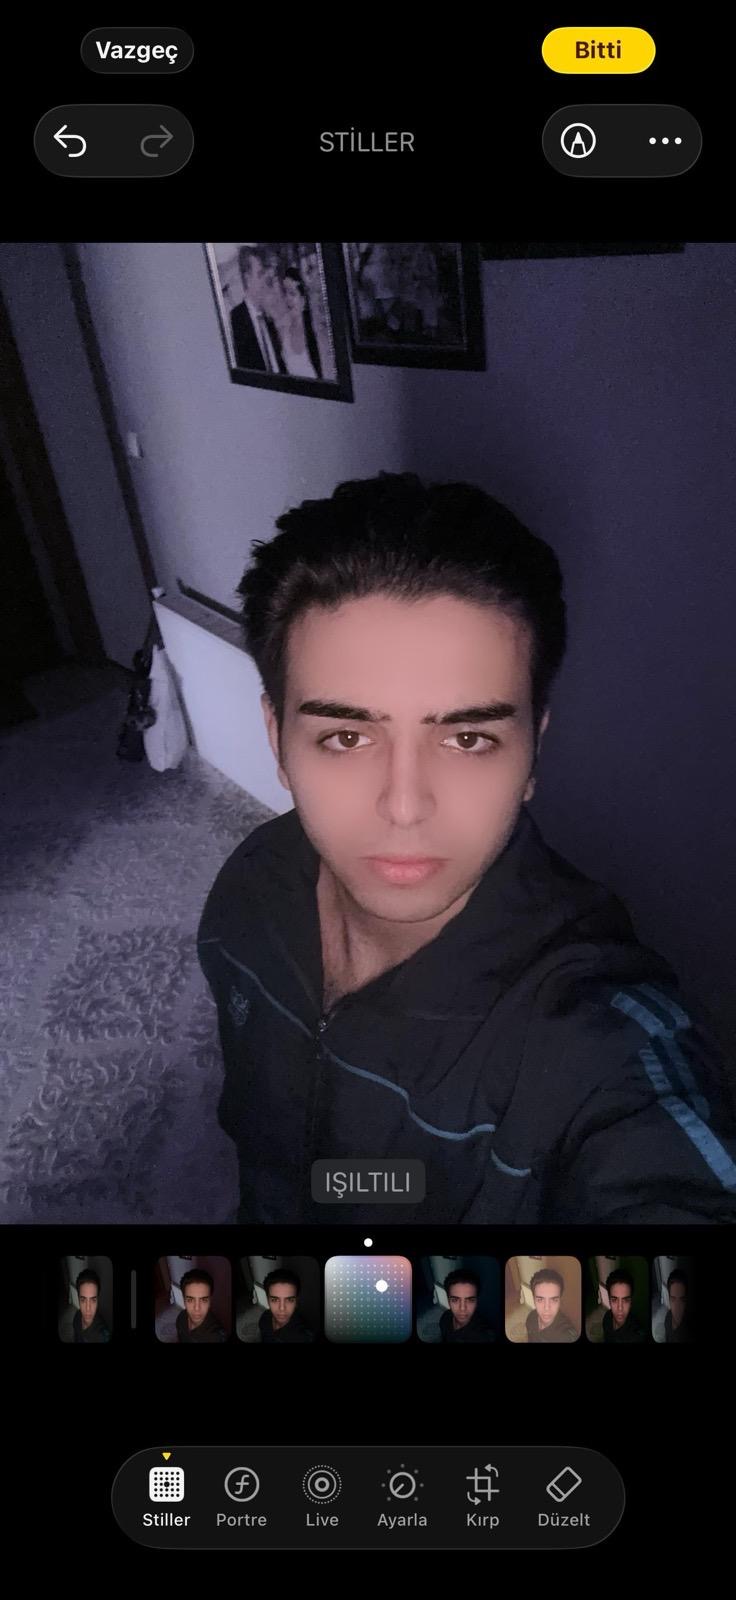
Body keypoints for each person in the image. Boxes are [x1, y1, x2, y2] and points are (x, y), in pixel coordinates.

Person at [197, 472, 736, 1225]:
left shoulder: (598, 1046)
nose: (405, 807)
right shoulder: (247, 892)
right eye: (346, 737)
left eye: (468, 739)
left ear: (532, 751)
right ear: (277, 739)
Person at [229, 246, 286, 374]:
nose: (265, 281)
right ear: (247, 279)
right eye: (260, 274)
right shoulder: (235, 321)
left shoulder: (268, 320)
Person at [279, 267, 322, 380]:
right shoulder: (282, 331)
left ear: (303, 300)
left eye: (292, 293)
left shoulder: (315, 330)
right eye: (285, 293)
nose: (287, 299)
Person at [257, 1269, 315, 1343]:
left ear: (296, 1301)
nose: (282, 1308)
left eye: (289, 1300)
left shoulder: (304, 1337)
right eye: (274, 1300)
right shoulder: (264, 1319)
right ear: (268, 1299)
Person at [439, 1268, 495, 1343]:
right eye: (455, 1300)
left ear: (476, 1301)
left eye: (470, 1300)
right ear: (448, 1300)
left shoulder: (484, 1337)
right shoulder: (445, 1318)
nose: (462, 1308)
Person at [525, 1269, 579, 1343]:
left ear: (560, 1301)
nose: (547, 1308)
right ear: (534, 1299)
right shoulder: (530, 1318)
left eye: (554, 1300)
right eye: (540, 1300)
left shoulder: (567, 1336)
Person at [175, 1269, 227, 1343]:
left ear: (210, 1302)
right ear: (184, 1300)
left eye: (204, 1300)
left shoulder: (216, 1337)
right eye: (190, 1300)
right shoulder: (180, 1318)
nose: (197, 1308)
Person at [601, 1268, 647, 1343]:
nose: (620, 1308)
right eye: (614, 1300)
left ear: (631, 1302)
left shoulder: (637, 1337)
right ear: (609, 1300)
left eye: (625, 1300)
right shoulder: (607, 1318)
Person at [72, 1269, 111, 1344]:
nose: (88, 1309)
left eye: (93, 1300)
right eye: (83, 1300)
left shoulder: (102, 1336)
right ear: (78, 1299)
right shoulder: (76, 1317)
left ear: (98, 1300)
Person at [664, 1268, 693, 1343]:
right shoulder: (667, 1318)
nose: (677, 1308)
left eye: (682, 1300)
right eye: (673, 1299)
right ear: (669, 1298)